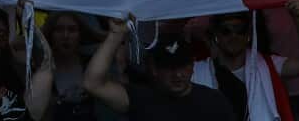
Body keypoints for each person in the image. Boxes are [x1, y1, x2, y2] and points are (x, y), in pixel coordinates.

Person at [84, 16, 234, 120]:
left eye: (182, 65)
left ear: (192, 65)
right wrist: (116, 34)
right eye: (170, 67)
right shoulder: (141, 98)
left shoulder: (214, 101)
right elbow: (93, 83)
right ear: (154, 69)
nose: (178, 75)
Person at [192, 3, 299, 121]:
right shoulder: (196, 72)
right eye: (226, 30)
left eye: (240, 30)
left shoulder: (267, 65)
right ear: (216, 34)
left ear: (249, 34)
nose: (234, 36)